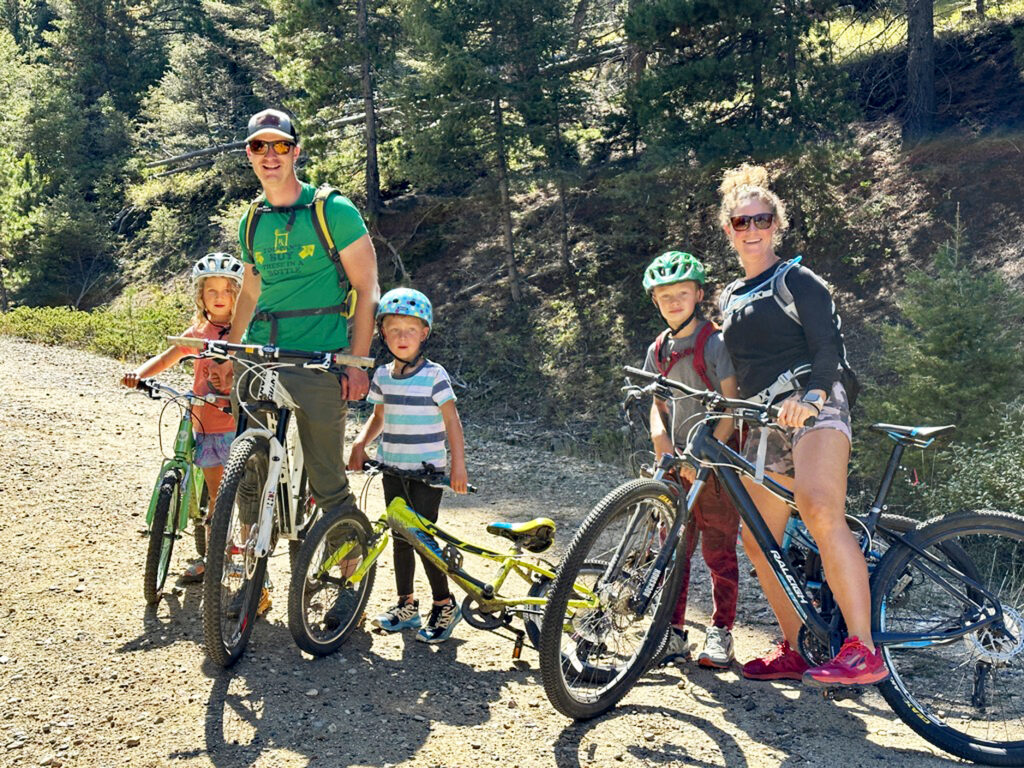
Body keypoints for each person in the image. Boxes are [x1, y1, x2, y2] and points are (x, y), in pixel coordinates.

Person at [716, 163, 887, 687]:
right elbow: (737, 375)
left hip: (816, 406)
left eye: (761, 220)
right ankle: (796, 646)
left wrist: (812, 395)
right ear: (728, 229)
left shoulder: (796, 279)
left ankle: (863, 649)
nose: (752, 230)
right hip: (768, 422)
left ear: (776, 225)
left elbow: (828, 347)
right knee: (757, 536)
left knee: (818, 510)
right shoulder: (728, 296)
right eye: (741, 222)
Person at [227, 109, 380, 614]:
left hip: (319, 359)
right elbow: (250, 290)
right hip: (261, 356)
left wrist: (357, 361)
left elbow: (366, 288)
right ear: (248, 154)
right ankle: (251, 578)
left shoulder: (332, 211)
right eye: (258, 147)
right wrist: (231, 347)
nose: (269, 156)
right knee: (248, 471)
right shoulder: (251, 219)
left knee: (326, 478)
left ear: (296, 150)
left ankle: (350, 581)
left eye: (279, 146)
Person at [347, 288, 469, 644]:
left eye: (411, 330)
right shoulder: (383, 375)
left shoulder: (435, 375)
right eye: (394, 329)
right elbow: (379, 416)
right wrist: (360, 443)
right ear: (383, 334)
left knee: (424, 540)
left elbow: (452, 422)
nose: (402, 337)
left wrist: (457, 465)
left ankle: (445, 604)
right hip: (393, 468)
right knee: (400, 538)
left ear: (424, 333)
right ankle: (406, 605)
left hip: (426, 473)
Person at [640, 251, 741, 669]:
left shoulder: (715, 343)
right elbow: (656, 402)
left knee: (719, 551)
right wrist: (661, 440)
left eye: (682, 293)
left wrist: (705, 455)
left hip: (714, 468)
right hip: (676, 466)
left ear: (699, 294)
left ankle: (722, 631)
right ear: (655, 302)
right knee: (673, 551)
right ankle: (673, 631)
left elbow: (732, 406)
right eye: (665, 296)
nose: (674, 302)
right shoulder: (659, 348)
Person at [121, 253, 242, 582]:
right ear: (200, 296)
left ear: (238, 294)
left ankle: (243, 560)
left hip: (235, 427)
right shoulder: (199, 331)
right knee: (217, 494)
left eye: (226, 291)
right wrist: (139, 374)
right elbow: (169, 356)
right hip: (205, 425)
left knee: (237, 497)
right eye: (211, 291)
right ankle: (213, 556)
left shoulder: (244, 333)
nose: (218, 298)